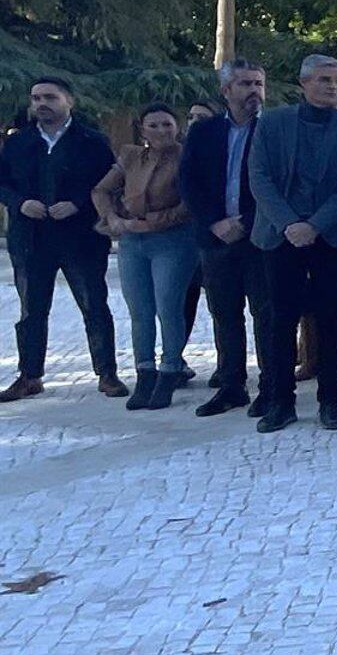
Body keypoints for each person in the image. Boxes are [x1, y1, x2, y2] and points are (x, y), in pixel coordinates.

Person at [247, 55, 337, 434]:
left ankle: (330, 401)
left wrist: (314, 225)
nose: (331, 86)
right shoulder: (272, 123)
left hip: (331, 236)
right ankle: (280, 400)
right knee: (280, 320)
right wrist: (289, 223)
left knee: (332, 320)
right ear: (304, 83)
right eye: (323, 79)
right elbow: (259, 176)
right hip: (279, 235)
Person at [0, 77, 124, 402]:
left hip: (80, 238)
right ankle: (29, 376)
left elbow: (109, 183)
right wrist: (20, 203)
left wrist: (79, 203)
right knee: (31, 310)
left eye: (50, 97)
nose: (42, 103)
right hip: (30, 238)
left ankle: (107, 374)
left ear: (69, 101)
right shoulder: (17, 143)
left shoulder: (92, 142)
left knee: (94, 305)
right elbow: (3, 184)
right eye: (36, 97)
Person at [179, 58, 269, 417]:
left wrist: (246, 221)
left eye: (258, 84)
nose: (253, 92)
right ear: (226, 90)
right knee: (225, 314)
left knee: (267, 313)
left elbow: (279, 184)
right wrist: (215, 221)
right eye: (245, 84)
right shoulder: (204, 132)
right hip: (216, 239)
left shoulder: (272, 130)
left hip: (259, 236)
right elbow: (189, 182)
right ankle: (231, 385)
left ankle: (272, 386)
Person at [93, 103, 195, 410]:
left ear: (177, 127)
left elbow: (191, 202)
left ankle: (170, 370)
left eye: (167, 124)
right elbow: (101, 190)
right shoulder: (131, 155)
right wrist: (112, 218)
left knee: (168, 306)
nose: (161, 130)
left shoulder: (187, 157)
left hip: (173, 239)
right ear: (143, 129)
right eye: (154, 125)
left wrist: (154, 222)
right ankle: (144, 371)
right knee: (139, 309)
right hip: (132, 241)